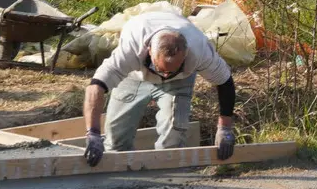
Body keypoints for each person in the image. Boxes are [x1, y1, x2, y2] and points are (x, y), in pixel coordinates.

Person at [80, 9, 237, 167]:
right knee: (115, 137)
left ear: (185, 55)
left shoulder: (200, 50)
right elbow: (95, 87)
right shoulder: (131, 48)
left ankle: (166, 178)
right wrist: (92, 133)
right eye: (161, 69)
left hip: (179, 82)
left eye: (172, 70)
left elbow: (225, 82)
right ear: (149, 51)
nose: (166, 76)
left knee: (174, 133)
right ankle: (118, 181)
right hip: (134, 76)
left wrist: (224, 128)